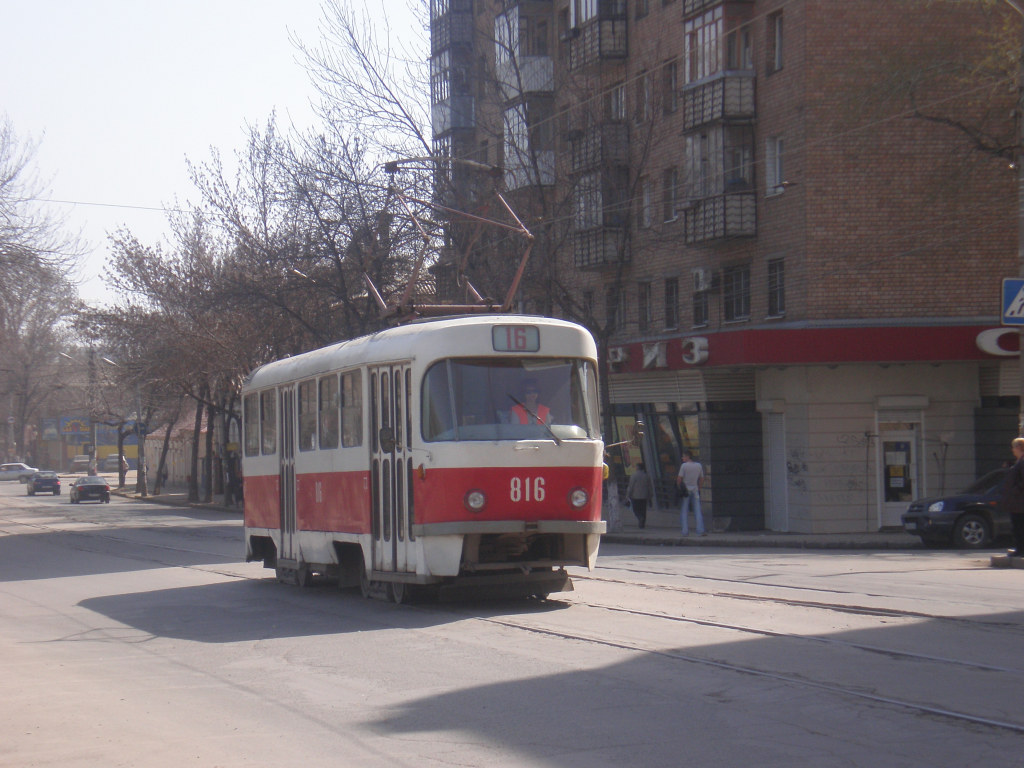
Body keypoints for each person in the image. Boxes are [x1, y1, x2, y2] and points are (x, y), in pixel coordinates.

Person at [1001, 437, 1024, 557]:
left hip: (1020, 502)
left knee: (1019, 526)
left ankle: (1021, 549)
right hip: (1016, 503)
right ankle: (1019, 548)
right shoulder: (1018, 462)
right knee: (1016, 526)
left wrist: (1015, 490)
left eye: (1014, 447)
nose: (1012, 450)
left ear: (1019, 447)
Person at [676, 451, 705, 536]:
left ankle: (685, 531)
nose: (682, 458)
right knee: (697, 510)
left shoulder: (684, 466)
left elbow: (679, 479)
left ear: (688, 457)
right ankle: (700, 530)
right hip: (695, 489)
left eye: (683, 456)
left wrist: (679, 487)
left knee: (684, 510)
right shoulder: (699, 465)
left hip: (686, 490)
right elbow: (702, 478)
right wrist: (699, 488)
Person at [625, 462, 655, 529]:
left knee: (635, 509)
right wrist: (650, 494)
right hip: (644, 496)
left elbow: (631, 486)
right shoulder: (646, 476)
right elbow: (650, 486)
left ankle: (640, 518)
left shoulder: (634, 476)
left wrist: (628, 495)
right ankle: (642, 524)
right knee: (643, 510)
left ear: (638, 467)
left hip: (635, 496)